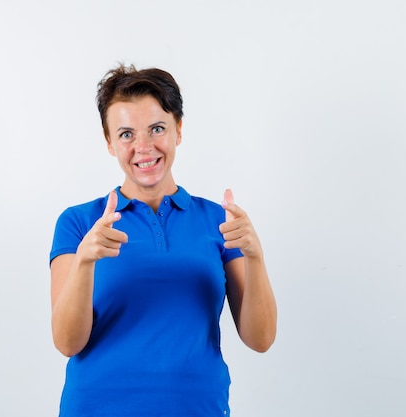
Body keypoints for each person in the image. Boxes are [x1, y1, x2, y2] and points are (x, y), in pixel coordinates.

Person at [49, 64, 277, 416]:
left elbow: (260, 340)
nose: (143, 147)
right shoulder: (79, 223)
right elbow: (67, 342)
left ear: (178, 130)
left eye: (157, 128)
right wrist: (84, 261)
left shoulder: (218, 221)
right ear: (109, 142)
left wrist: (255, 256)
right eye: (126, 134)